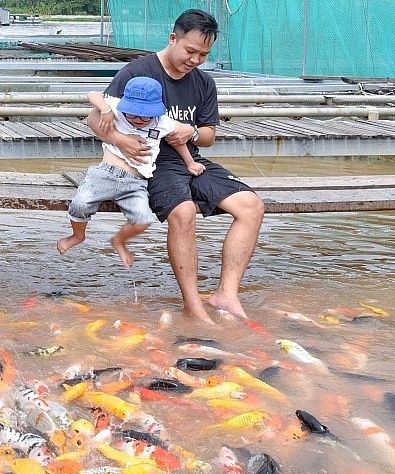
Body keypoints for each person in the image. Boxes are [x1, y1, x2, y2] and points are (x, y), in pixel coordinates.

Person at [87, 9, 264, 324]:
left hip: (190, 158)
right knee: (183, 213)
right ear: (173, 38)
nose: (196, 60)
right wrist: (123, 141)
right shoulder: (138, 73)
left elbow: (209, 135)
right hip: (149, 162)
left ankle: (226, 293)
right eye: (190, 51)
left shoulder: (204, 83)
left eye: (204, 55)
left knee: (251, 206)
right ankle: (193, 306)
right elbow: (95, 120)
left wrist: (191, 132)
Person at [58, 76, 204, 268]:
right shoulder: (116, 107)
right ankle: (77, 236)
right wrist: (105, 110)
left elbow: (178, 141)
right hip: (105, 175)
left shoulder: (163, 122)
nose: (139, 120)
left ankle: (119, 240)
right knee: (80, 203)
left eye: (145, 116)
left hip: (136, 182)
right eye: (133, 114)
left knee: (143, 219)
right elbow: (92, 94)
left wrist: (190, 162)